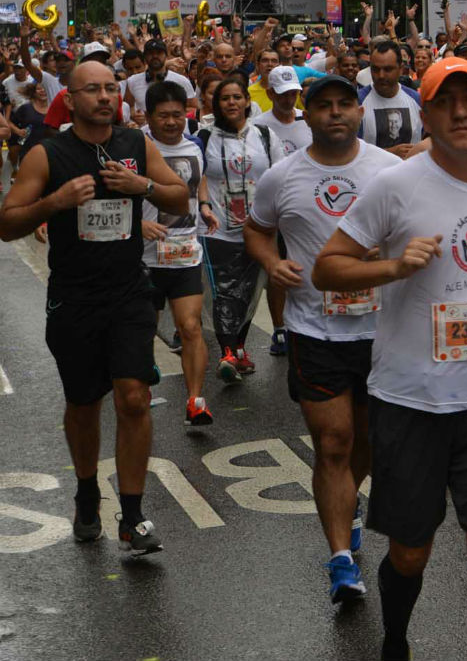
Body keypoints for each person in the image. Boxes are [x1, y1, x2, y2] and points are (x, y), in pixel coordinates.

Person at [312, 56, 467, 661]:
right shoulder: (393, 186)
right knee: (411, 549)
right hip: (411, 397)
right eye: (444, 101)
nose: (460, 112)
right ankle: (394, 642)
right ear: (428, 112)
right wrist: (392, 266)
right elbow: (327, 267)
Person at [0, 60, 191, 554]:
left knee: (134, 397)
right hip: (74, 299)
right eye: (93, 90)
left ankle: (131, 515)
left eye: (111, 88)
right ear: (72, 97)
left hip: (128, 293)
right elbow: (7, 222)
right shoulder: (48, 153)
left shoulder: (135, 144)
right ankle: (87, 493)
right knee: (84, 404)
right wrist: (55, 202)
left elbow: (181, 196)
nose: (105, 97)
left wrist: (143, 187)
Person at [245, 73, 401, 603]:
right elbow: (256, 227)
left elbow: (420, 225)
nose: (335, 113)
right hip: (315, 329)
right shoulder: (282, 176)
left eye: (344, 105)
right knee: (333, 443)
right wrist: (272, 262)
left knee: (372, 444)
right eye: (323, 106)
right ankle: (340, 560)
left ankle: (348, 499)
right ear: (305, 116)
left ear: (359, 113)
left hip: (383, 330)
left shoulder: (389, 170)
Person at [142, 80, 219, 426]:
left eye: (178, 115)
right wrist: (138, 224)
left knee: (190, 327)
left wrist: (203, 205)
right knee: (144, 329)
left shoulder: (195, 143)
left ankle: (195, 400)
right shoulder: (137, 147)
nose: (172, 122)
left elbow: (198, 179)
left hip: (185, 251)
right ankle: (141, 379)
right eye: (164, 116)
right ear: (148, 116)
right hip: (144, 257)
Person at [199, 75, 282, 381]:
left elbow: (279, 175)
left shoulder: (264, 134)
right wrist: (205, 207)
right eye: (225, 98)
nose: (232, 103)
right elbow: (200, 178)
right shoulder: (204, 137)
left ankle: (240, 347)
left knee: (249, 291)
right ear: (216, 104)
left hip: (257, 228)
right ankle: (227, 352)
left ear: (248, 102)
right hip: (217, 228)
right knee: (223, 293)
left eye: (237, 97)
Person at [359, 40, 423, 157]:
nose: (381, 75)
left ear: (401, 69)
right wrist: (389, 154)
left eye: (388, 69)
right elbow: (351, 153)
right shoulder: (358, 102)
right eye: (375, 69)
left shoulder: (417, 100)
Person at [253, 65, 313, 156]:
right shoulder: (258, 125)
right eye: (283, 94)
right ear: (270, 94)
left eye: (293, 94)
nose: (289, 100)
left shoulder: (309, 120)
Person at [125, 38, 197, 115]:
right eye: (151, 53)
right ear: (145, 57)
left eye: (159, 53)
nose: (155, 56)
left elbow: (193, 108)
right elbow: (128, 107)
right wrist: (135, 116)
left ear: (166, 55)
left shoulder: (181, 81)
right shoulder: (132, 81)